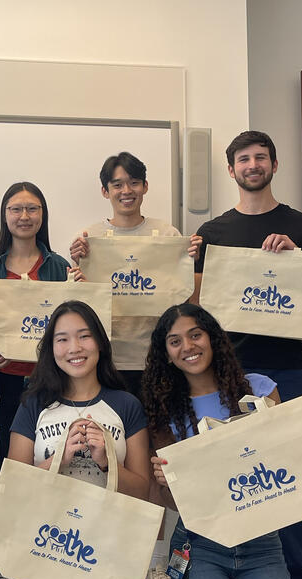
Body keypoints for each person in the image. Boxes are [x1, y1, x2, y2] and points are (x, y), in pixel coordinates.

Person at [191, 131, 302, 579]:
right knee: (237, 480)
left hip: (289, 369)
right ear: (231, 170)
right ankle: (238, 578)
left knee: (291, 483)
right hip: (228, 375)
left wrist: (296, 261)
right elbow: (196, 307)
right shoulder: (212, 234)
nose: (253, 165)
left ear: (275, 164)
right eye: (244, 159)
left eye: (261, 157)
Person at [141, 304, 302, 579]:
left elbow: (287, 458)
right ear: (166, 354)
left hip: (262, 542)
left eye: (196, 335)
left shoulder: (259, 389)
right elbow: (171, 502)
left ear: (213, 339)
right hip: (198, 543)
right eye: (175, 341)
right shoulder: (162, 410)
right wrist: (167, 483)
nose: (188, 346)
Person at [0, 182, 76, 579]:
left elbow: (73, 325)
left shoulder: (60, 266)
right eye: (15, 209)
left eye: (32, 208)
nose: (24, 216)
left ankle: (40, 558)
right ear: (4, 215)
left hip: (46, 389)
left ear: (43, 215)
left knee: (41, 473)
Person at [8, 300, 151, 579]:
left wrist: (107, 462)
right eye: (62, 339)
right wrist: (56, 461)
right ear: (51, 348)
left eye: (84, 336)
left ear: (100, 342)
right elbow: (13, 487)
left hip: (113, 548)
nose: (74, 347)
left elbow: (142, 492)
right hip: (45, 545)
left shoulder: (127, 405)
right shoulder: (33, 404)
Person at [68, 151, 201, 397]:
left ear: (145, 186)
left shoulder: (167, 235)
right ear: (105, 191)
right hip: (107, 357)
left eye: (134, 183)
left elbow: (183, 297)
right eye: (117, 185)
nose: (126, 191)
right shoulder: (88, 239)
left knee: (158, 432)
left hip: (158, 356)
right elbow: (81, 304)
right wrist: (77, 267)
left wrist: (189, 260)